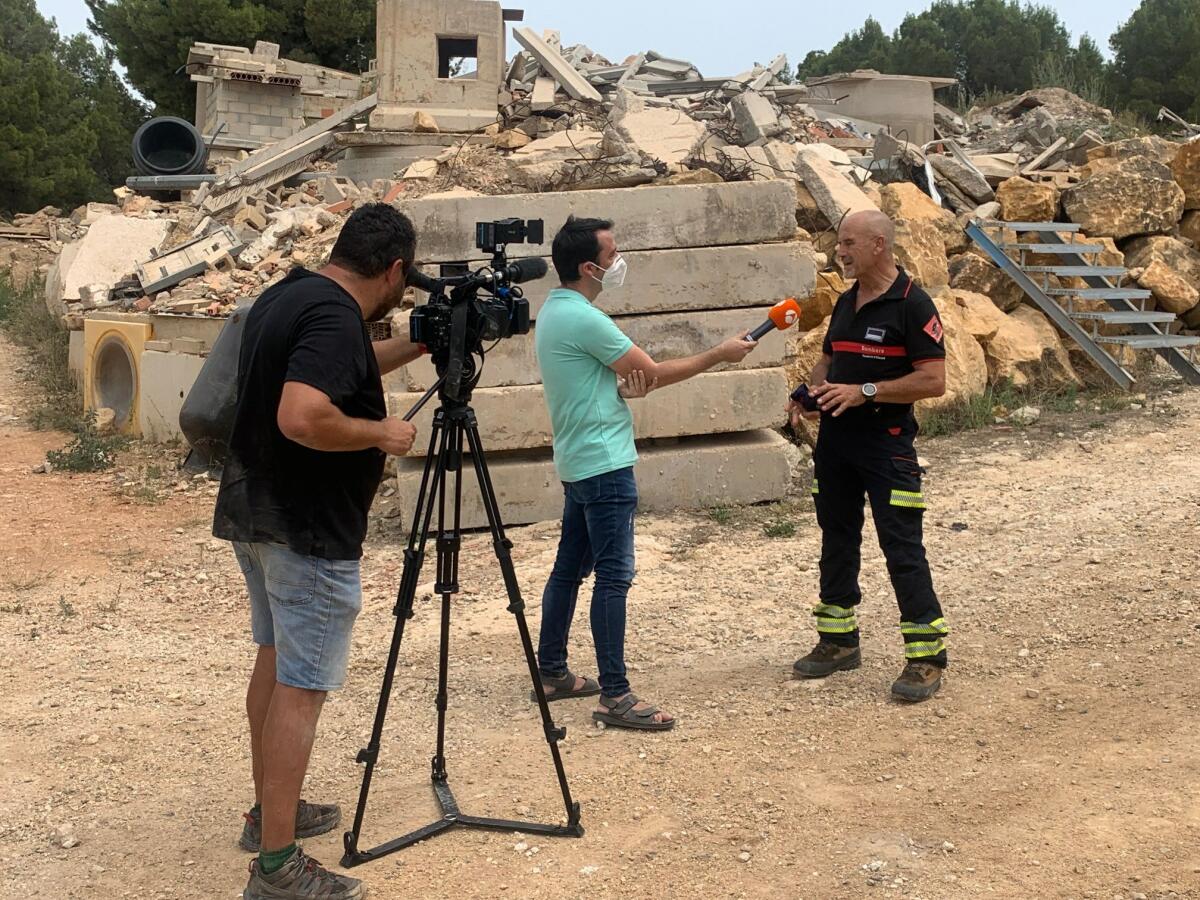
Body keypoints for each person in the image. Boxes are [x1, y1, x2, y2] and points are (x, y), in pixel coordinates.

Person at [213, 204, 426, 899]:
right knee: (302, 691)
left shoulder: (294, 295)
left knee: (274, 669)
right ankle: (276, 869)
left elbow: (344, 367)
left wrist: (420, 344)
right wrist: (379, 434)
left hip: (258, 511)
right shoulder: (336, 317)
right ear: (394, 269)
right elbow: (303, 414)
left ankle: (268, 813)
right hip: (307, 529)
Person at [532, 215, 756, 731]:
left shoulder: (556, 311)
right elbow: (649, 373)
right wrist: (718, 355)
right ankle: (616, 695)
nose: (619, 263)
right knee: (613, 578)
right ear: (589, 267)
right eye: (612, 256)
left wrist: (623, 389)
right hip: (605, 464)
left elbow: (603, 382)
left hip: (578, 460)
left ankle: (553, 672)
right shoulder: (587, 319)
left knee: (569, 570)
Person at [788, 209, 950, 703]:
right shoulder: (846, 301)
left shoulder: (913, 305)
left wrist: (866, 391)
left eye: (849, 243)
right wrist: (810, 395)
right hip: (836, 447)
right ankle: (838, 642)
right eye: (841, 243)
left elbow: (933, 380)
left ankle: (925, 657)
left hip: (887, 447)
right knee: (836, 541)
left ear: (879, 244)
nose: (840, 251)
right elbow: (830, 360)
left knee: (901, 548)